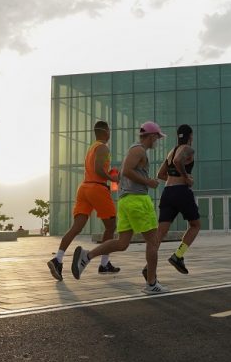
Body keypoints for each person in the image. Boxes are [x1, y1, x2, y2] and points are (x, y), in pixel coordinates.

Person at [71, 121, 169, 294]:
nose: (158, 141)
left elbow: (128, 171)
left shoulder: (137, 150)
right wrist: (149, 182)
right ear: (152, 136)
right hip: (137, 200)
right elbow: (126, 171)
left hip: (126, 201)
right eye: (158, 137)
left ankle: (87, 256)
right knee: (153, 242)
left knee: (122, 243)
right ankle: (152, 284)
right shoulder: (138, 150)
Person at [46, 120, 120, 281]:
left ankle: (57, 259)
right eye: (109, 131)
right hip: (97, 188)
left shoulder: (92, 148)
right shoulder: (103, 147)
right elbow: (98, 169)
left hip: (84, 188)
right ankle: (104, 263)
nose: (110, 134)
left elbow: (93, 168)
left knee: (76, 227)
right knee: (111, 225)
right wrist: (112, 177)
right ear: (106, 132)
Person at [155, 124, 199, 275]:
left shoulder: (171, 152)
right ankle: (178, 255)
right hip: (181, 192)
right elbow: (178, 161)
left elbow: (160, 174)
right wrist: (186, 178)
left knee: (160, 233)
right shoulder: (187, 149)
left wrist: (174, 178)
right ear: (190, 136)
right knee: (195, 225)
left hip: (167, 192)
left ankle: (149, 267)